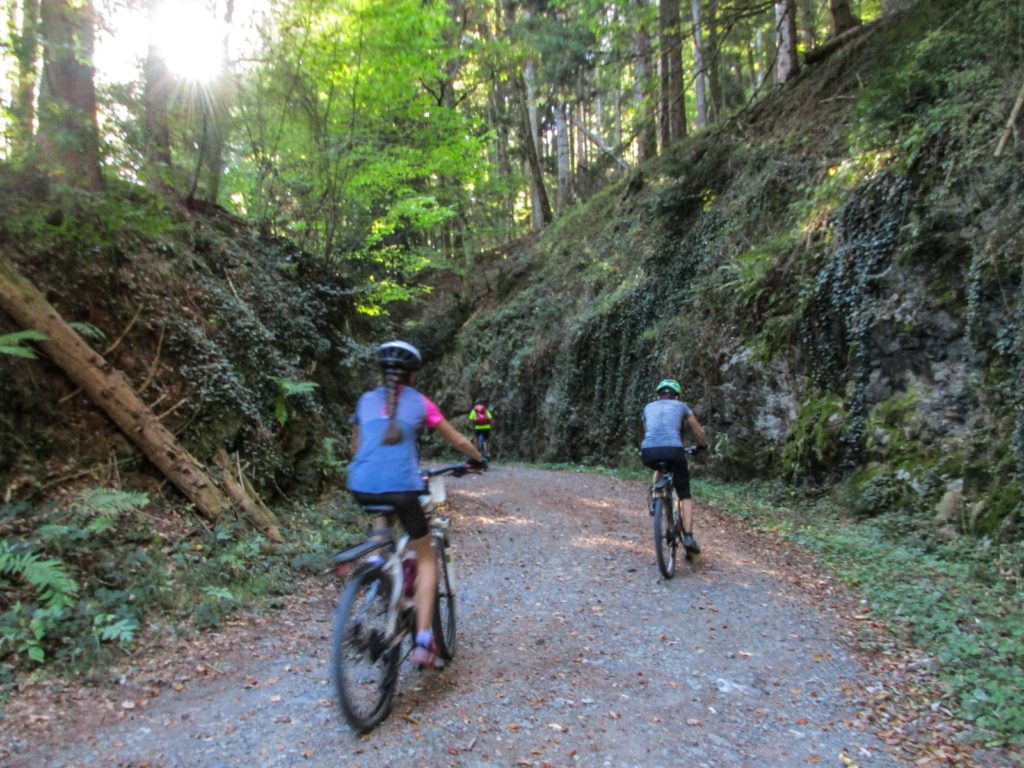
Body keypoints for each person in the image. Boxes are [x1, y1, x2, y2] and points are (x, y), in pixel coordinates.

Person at [347, 340, 486, 668]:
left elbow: (356, 450)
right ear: (412, 374)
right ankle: (423, 640)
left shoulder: (365, 401)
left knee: (382, 535)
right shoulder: (420, 403)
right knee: (425, 557)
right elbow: (458, 440)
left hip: (361, 485)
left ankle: (382, 570)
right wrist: (479, 459)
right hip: (403, 489)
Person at [640, 378, 709, 554]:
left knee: (659, 469)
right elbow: (698, 431)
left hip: (648, 451)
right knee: (684, 494)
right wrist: (702, 445)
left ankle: (657, 497)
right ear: (676, 396)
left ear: (658, 396)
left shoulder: (648, 407)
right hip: (673, 450)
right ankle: (688, 537)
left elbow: (648, 430)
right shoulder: (682, 406)